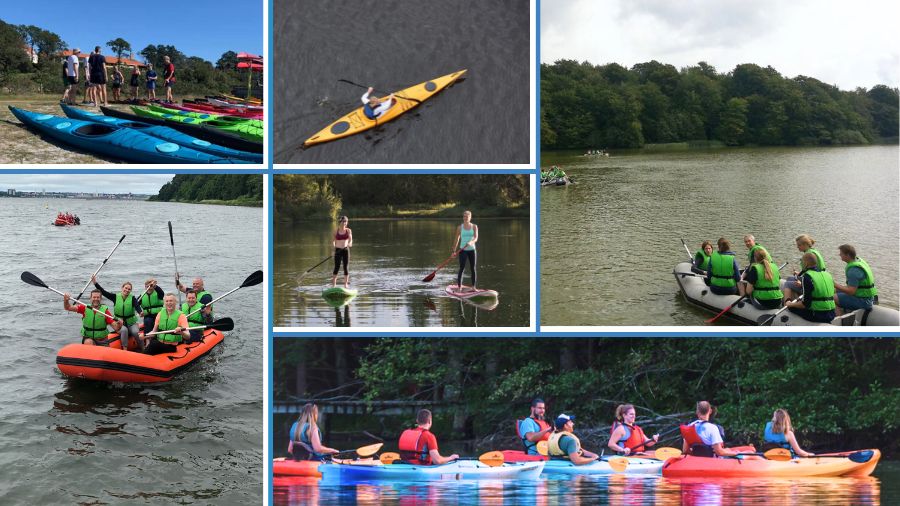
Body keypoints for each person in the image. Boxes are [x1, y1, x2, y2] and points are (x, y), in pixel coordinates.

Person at [92, 275, 143, 351]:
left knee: (136, 332)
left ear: (130, 291)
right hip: (118, 322)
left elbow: (137, 306)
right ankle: (124, 350)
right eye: (126, 288)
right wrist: (95, 283)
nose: (127, 290)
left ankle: (143, 348)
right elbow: (104, 292)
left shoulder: (132, 298)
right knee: (124, 330)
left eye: (129, 289)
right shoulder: (115, 297)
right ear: (122, 288)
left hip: (131, 323)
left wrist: (140, 312)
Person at [784, 252, 837, 323]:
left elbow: (805, 305)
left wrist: (790, 304)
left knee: (791, 307)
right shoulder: (827, 274)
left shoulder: (807, 276)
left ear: (805, 263)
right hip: (832, 313)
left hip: (817, 314)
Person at [834, 244, 878, 315]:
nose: (839, 255)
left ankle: (839, 318)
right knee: (832, 290)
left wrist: (834, 284)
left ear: (847, 255)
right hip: (867, 296)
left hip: (864, 301)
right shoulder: (858, 261)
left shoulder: (853, 270)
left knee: (831, 298)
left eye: (841, 253)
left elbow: (851, 291)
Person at [783, 234, 826, 300]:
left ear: (805, 244)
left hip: (814, 282)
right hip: (818, 278)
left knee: (787, 284)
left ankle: (787, 303)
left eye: (799, 245)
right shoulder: (814, 251)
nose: (797, 247)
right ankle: (797, 299)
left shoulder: (807, 255)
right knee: (790, 278)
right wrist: (799, 274)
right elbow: (811, 270)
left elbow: (810, 274)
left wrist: (801, 280)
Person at [451, 210, 478, 291]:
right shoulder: (460, 227)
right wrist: (454, 251)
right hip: (463, 250)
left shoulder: (474, 226)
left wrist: (471, 242)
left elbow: (476, 238)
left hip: (472, 250)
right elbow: (456, 239)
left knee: (473, 268)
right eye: (464, 216)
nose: (465, 218)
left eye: (467, 216)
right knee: (462, 267)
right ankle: (459, 287)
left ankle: (473, 287)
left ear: (470, 217)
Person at [139, 278, 165, 347]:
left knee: (159, 323)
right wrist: (140, 312)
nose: (149, 288)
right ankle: (148, 341)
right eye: (147, 286)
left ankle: (161, 339)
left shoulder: (158, 293)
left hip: (159, 314)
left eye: (151, 286)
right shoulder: (142, 295)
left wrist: (155, 286)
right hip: (148, 315)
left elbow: (162, 293)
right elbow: (136, 304)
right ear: (145, 286)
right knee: (148, 321)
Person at [331, 216, 352, 288]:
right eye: (343, 221)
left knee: (346, 267)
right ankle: (334, 285)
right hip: (338, 250)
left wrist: (349, 243)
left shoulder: (348, 230)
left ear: (347, 222)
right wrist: (333, 249)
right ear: (340, 222)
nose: (344, 223)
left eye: (345, 221)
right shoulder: (336, 231)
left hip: (345, 250)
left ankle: (345, 284)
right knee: (336, 267)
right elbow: (333, 242)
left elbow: (350, 240)